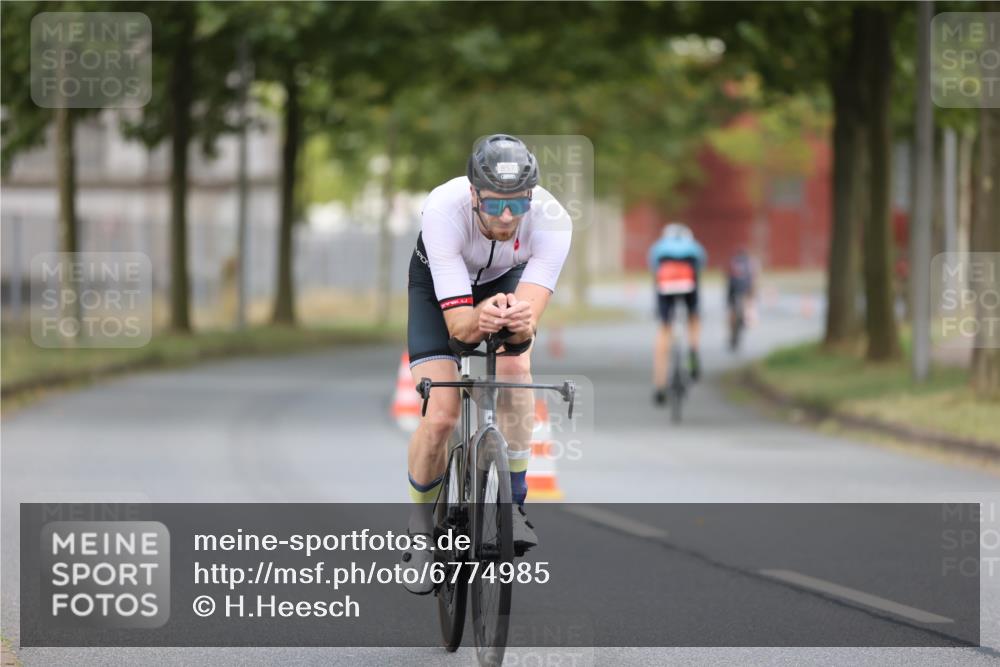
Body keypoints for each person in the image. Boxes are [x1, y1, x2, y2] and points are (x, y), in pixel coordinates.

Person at [402, 134, 572, 594]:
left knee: (516, 372)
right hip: (439, 286)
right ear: (474, 194)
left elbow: (528, 324)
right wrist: (481, 318)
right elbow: (459, 327)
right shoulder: (443, 209)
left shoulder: (552, 221)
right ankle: (421, 533)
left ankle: (513, 506)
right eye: (495, 204)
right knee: (441, 414)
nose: (506, 217)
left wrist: (518, 323)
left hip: (506, 279)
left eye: (518, 205)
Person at [648, 223, 706, 406]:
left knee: (664, 328)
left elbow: (654, 268)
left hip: (665, 281)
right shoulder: (692, 245)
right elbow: (701, 264)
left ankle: (660, 385)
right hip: (689, 279)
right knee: (693, 317)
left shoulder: (660, 245)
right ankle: (693, 353)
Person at [726, 248, 757, 350]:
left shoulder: (733, 262)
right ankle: (743, 320)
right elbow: (753, 278)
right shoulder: (750, 263)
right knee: (745, 306)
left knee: (732, 310)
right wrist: (752, 293)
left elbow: (728, 277)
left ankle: (733, 326)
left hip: (733, 289)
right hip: (745, 289)